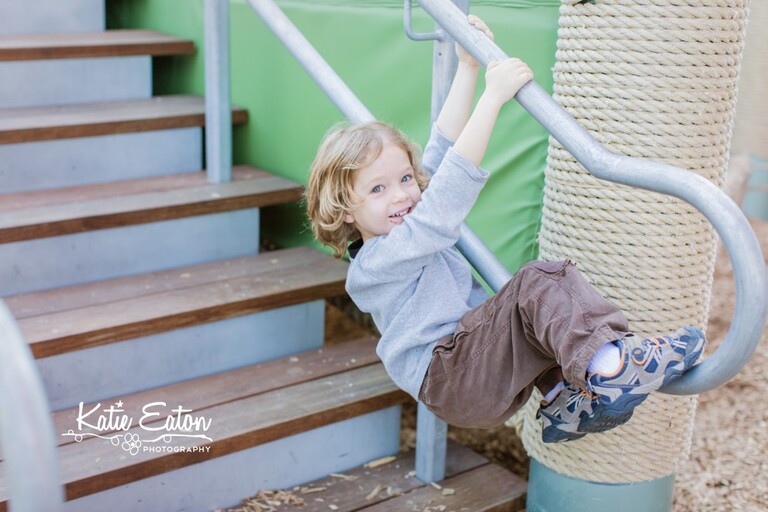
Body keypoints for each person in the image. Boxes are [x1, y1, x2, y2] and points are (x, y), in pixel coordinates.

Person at [305, 16, 705, 443]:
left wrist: (468, 69)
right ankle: (612, 368)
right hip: (451, 374)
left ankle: (563, 399)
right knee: (537, 283)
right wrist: (492, 99)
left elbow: (440, 156)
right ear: (344, 209)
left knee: (536, 322)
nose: (402, 194)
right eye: (378, 188)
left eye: (404, 178)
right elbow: (444, 201)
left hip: (467, 373)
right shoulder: (378, 262)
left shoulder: (404, 226)